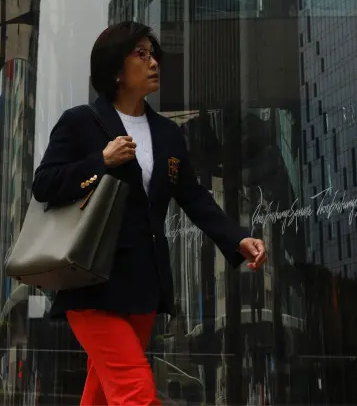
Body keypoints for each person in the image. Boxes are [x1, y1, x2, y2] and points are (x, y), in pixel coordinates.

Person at [32, 22, 268, 405]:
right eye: (140, 54)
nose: (153, 62)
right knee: (136, 393)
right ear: (116, 70)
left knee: (103, 394)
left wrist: (236, 238)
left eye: (153, 54)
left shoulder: (168, 134)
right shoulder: (81, 122)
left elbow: (193, 196)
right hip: (90, 281)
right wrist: (101, 161)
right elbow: (44, 183)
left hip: (142, 285)